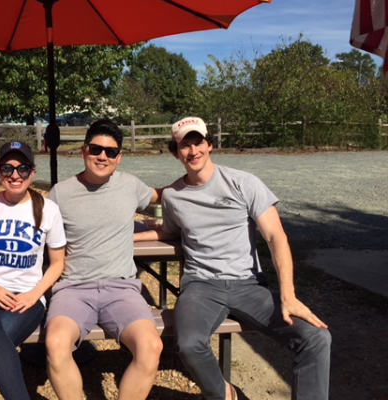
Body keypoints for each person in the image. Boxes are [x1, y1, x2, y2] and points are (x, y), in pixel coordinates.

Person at [135, 116, 332, 400]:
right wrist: (131, 236)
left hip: (248, 285)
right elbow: (168, 232)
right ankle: (226, 394)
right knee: (189, 345)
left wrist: (288, 295)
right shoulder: (173, 197)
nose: (193, 151)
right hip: (201, 286)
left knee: (316, 338)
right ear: (176, 152)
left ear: (210, 144)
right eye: (184, 146)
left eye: (198, 142)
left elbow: (276, 236)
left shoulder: (243, 183)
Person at [45, 119, 163, 400]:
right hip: (73, 288)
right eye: (96, 149)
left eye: (111, 152)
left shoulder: (131, 186)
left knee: (151, 346)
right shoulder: (61, 193)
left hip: (121, 289)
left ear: (119, 157)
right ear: (84, 150)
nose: (103, 156)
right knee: (55, 343)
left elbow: (163, 198)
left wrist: (161, 225)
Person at [0, 141, 66, 400]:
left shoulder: (49, 210)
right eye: (7, 169)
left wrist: (35, 293)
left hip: (25, 297)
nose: (15, 175)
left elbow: (58, 262)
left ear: (33, 172)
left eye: (22, 169)